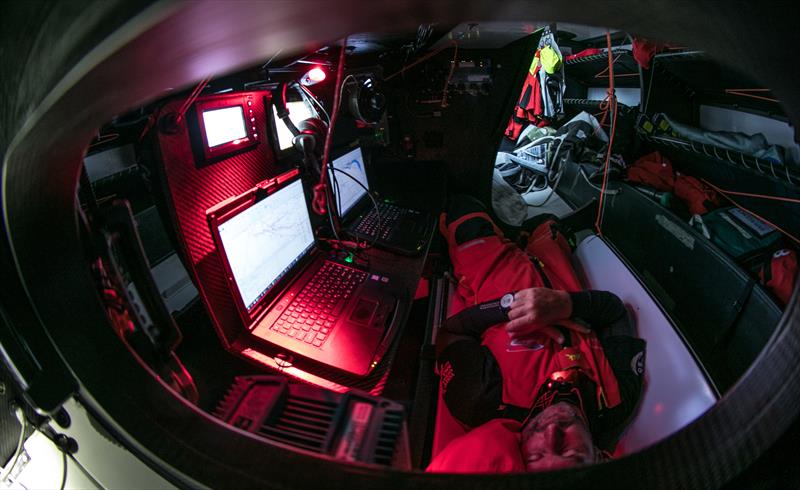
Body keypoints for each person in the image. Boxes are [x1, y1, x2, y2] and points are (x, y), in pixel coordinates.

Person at [427, 195, 646, 473]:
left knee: (464, 204)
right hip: (549, 254)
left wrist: (509, 306)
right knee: (546, 220)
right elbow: (616, 312)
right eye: (571, 455)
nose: (552, 433)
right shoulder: (616, 402)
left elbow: (451, 332)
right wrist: (565, 305)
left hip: (489, 261)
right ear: (601, 457)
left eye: (535, 457)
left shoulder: (481, 403)